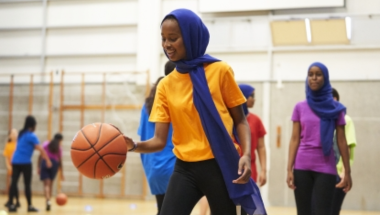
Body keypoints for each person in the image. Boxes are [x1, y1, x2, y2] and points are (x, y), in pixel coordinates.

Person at [120, 9, 266, 215]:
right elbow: (159, 141)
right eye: (163, 39)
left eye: (173, 38)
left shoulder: (220, 71)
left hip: (220, 164)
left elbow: (240, 120)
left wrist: (247, 154)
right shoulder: (166, 85)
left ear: (191, 36)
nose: (166, 45)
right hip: (184, 168)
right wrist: (134, 146)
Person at [286, 62, 353, 215]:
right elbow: (295, 139)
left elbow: (342, 141)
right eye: (310, 74)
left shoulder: (336, 108)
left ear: (325, 78)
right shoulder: (299, 107)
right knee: (304, 212)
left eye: (318, 74)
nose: (314, 78)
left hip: (326, 167)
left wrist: (347, 172)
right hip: (302, 166)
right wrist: (289, 169)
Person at [138, 61, 176, 215]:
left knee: (162, 208)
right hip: (173, 163)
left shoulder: (146, 106)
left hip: (151, 163)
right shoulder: (174, 104)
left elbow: (142, 134)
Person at [6, 115, 52, 213]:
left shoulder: (21, 134)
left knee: (14, 183)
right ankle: (29, 206)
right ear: (33, 125)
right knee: (27, 184)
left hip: (15, 161)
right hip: (25, 162)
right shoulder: (31, 135)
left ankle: (11, 204)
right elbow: (41, 149)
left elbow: (28, 146)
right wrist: (48, 160)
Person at [331, 88, 357, 215]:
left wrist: (344, 172)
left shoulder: (346, 119)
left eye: (333, 99)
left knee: (333, 210)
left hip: (338, 173)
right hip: (324, 171)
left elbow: (347, 145)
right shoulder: (324, 120)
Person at [239, 84, 267, 185]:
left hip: (250, 169)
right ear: (243, 96)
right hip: (231, 168)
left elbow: (261, 147)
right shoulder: (229, 120)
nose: (254, 100)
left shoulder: (256, 120)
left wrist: (264, 170)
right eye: (252, 96)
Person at [38, 133, 64, 211]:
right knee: (51, 184)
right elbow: (60, 160)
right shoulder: (59, 148)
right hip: (54, 164)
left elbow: (40, 155)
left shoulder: (46, 144)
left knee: (46, 184)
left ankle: (48, 200)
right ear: (60, 140)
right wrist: (62, 172)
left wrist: (38, 166)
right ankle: (49, 201)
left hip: (45, 162)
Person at [3, 129, 20, 208]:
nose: (14, 135)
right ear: (9, 135)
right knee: (13, 183)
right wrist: (8, 166)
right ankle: (14, 201)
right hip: (11, 166)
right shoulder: (8, 144)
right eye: (12, 133)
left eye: (15, 133)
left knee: (13, 183)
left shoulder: (19, 143)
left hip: (17, 165)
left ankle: (13, 201)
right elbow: (6, 156)